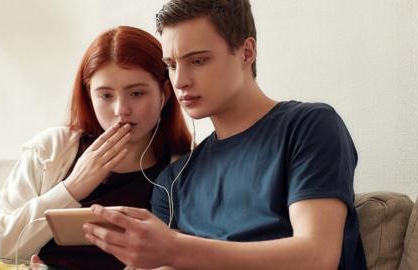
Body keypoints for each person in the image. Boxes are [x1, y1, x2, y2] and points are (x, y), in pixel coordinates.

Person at [82, 1, 368, 269]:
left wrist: (175, 248)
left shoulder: (309, 126)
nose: (180, 81)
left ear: (247, 52)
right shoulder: (173, 181)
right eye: (171, 65)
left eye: (198, 61)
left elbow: (317, 256)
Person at [0, 25, 192, 270]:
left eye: (136, 93)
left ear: (164, 94)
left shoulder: (186, 167)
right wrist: (71, 189)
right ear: (89, 96)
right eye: (105, 96)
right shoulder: (53, 149)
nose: (120, 110)